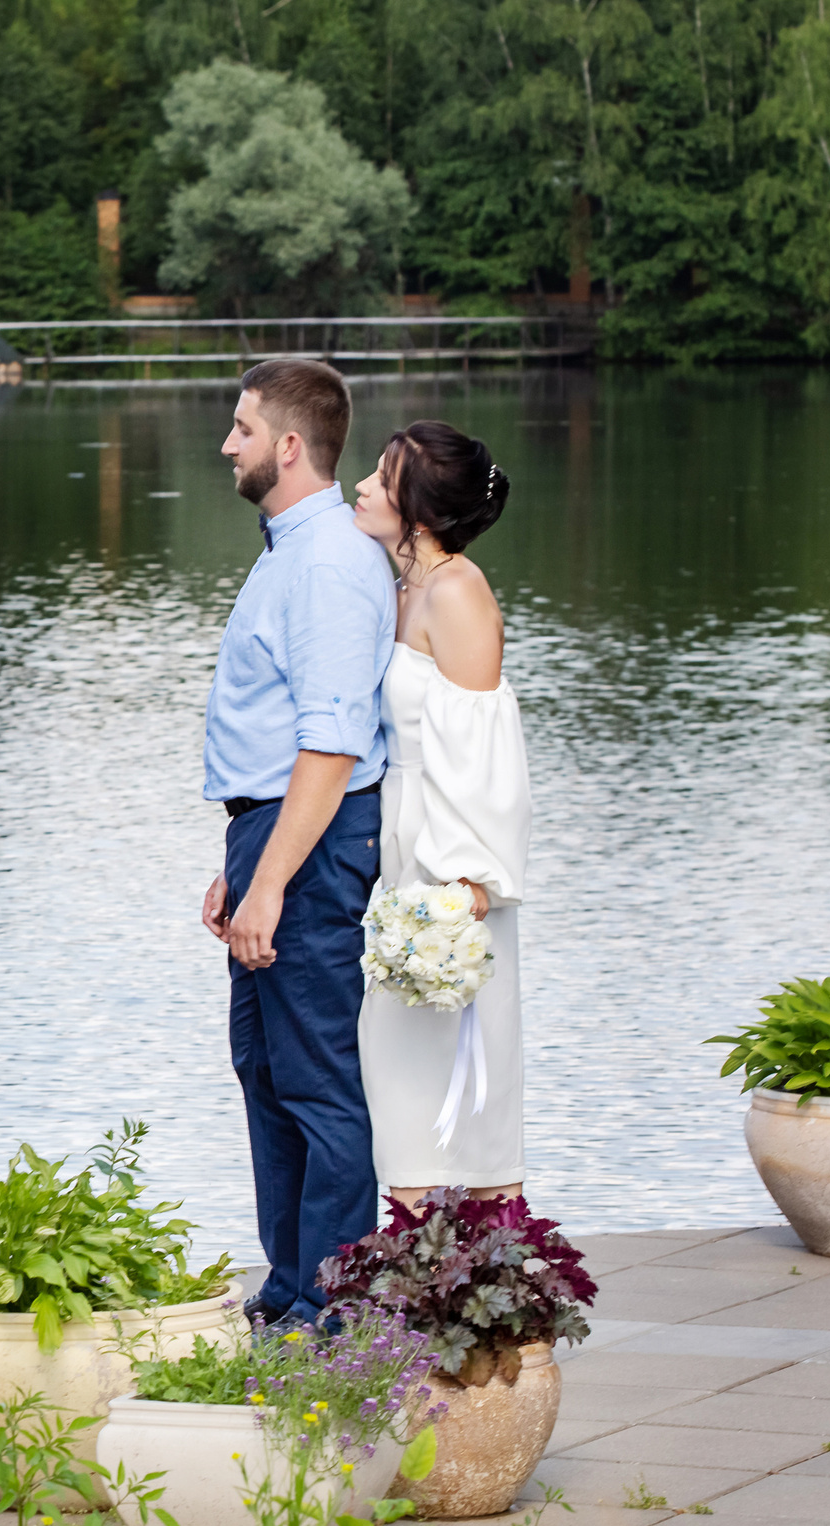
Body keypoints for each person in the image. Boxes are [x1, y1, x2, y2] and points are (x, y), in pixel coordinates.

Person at [200, 360, 396, 1330]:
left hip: (310, 846)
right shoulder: (291, 550)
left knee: (316, 1078)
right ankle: (288, 1287)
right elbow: (283, 734)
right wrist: (239, 859)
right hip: (275, 831)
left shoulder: (324, 565)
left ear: (286, 445)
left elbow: (331, 742)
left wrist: (271, 877)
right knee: (265, 1067)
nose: (225, 445)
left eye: (240, 428)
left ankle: (332, 1305)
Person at [346, 421, 528, 1206]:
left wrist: (469, 885)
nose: (360, 486)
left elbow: (487, 748)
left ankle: (496, 1257)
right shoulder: (398, 586)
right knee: (395, 1063)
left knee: (465, 1061)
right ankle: (411, 1261)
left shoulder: (458, 591)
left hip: (452, 859)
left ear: (418, 509)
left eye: (381, 478)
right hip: (399, 842)